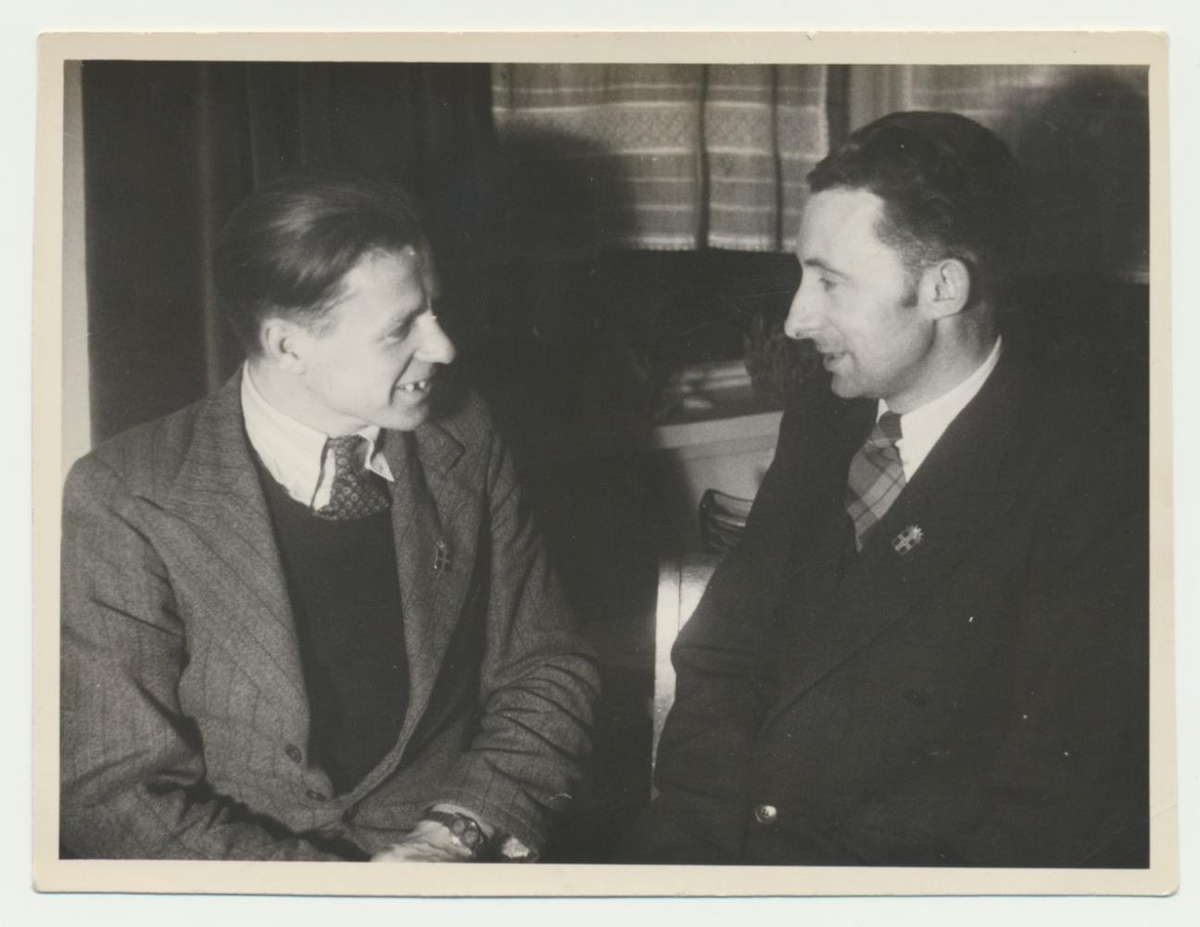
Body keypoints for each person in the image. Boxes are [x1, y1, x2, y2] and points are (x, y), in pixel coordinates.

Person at [626, 111, 1149, 867]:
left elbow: (1051, 809)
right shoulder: (826, 417)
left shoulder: (1091, 481)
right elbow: (724, 661)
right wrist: (687, 866)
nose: (796, 320)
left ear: (942, 288)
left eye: (830, 283)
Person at [60, 174, 600, 862]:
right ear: (288, 346)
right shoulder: (125, 494)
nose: (443, 347)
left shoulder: (465, 436)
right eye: (401, 328)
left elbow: (546, 665)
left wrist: (453, 833)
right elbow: (115, 790)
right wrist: (342, 895)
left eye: (433, 311)